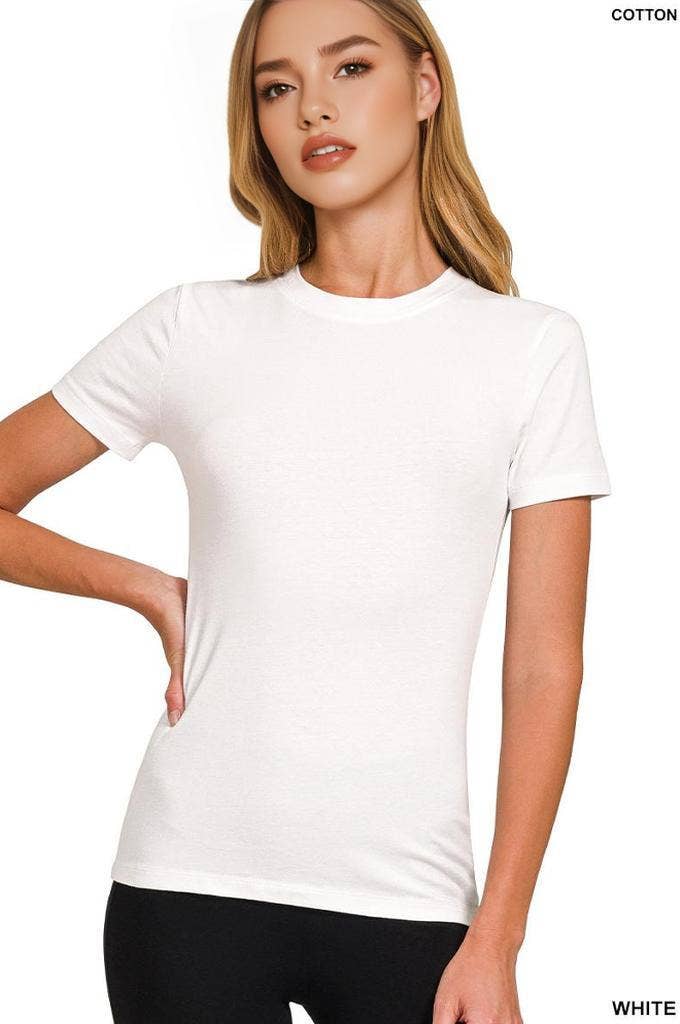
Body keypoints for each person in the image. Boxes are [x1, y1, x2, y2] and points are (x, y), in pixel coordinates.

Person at [0, 1, 612, 1022]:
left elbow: (543, 665)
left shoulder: (532, 351)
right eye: (276, 87)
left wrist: (497, 934)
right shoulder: (195, 328)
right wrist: (145, 588)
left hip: (413, 905)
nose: (312, 108)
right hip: (185, 887)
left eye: (350, 68)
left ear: (425, 87)